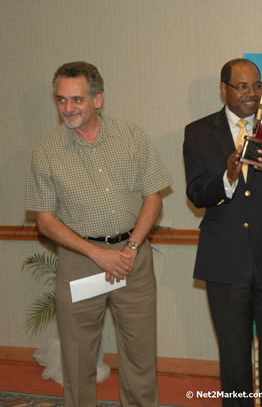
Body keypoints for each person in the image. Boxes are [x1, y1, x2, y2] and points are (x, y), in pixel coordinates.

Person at [24, 61, 172, 407]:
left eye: (76, 100)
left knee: (140, 354)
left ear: (98, 99)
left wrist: (131, 246)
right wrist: (97, 254)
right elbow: (45, 221)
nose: (68, 109)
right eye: (61, 100)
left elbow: (153, 197)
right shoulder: (46, 151)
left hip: (132, 259)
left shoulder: (132, 136)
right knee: (77, 358)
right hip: (80, 261)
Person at [183, 58, 262, 406]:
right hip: (224, 260)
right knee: (234, 354)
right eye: (242, 86)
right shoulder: (198, 132)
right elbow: (195, 192)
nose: (252, 94)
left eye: (257, 86)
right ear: (224, 89)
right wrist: (228, 179)